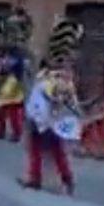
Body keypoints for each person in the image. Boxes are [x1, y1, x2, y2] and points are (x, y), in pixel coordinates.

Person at [18, 19, 83, 194]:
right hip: (57, 122)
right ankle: (67, 179)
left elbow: (37, 102)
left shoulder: (45, 79)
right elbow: (71, 104)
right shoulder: (66, 80)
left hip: (42, 122)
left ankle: (35, 179)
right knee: (57, 152)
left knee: (36, 151)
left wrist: (34, 119)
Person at [0, 50, 25, 141]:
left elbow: (6, 68)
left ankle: (15, 133)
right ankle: (1, 131)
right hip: (9, 87)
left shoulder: (17, 64)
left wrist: (3, 63)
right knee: (1, 112)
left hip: (13, 88)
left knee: (13, 114)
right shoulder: (14, 63)